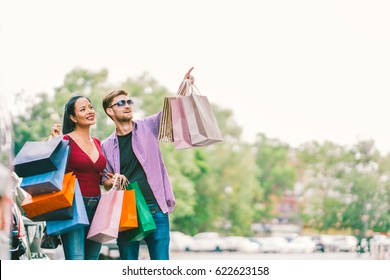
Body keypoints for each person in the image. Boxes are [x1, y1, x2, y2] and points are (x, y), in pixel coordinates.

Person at [101, 67, 194, 260]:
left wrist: (184, 86)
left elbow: (171, 110)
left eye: (129, 102)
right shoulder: (106, 146)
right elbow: (104, 180)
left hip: (157, 209)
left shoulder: (148, 127)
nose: (127, 106)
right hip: (127, 213)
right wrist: (114, 180)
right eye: (121, 103)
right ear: (110, 111)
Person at [51, 95, 107, 260]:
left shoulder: (97, 142)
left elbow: (97, 176)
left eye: (90, 107)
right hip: (74, 206)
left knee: (92, 261)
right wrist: (53, 143)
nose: (90, 111)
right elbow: (49, 168)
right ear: (73, 117)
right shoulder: (65, 141)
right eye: (83, 109)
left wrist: (109, 180)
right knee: (76, 261)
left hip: (98, 207)